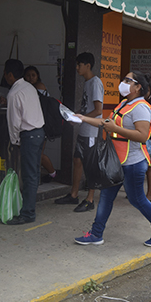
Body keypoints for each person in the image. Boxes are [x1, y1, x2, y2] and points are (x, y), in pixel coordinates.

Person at [74, 71, 151, 247]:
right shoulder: (125, 104)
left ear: (138, 86)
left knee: (137, 199)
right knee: (105, 196)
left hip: (133, 162)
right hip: (117, 161)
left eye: (128, 80)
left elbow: (142, 136)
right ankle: (96, 234)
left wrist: (115, 129)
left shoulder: (140, 107)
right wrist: (84, 119)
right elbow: (107, 122)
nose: (123, 82)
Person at [54, 52, 103, 213]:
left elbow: (98, 110)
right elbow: (87, 108)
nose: (76, 68)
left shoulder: (95, 83)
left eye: (79, 65)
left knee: (89, 164)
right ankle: (73, 194)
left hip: (92, 131)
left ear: (88, 65)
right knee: (77, 160)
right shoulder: (88, 82)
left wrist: (80, 118)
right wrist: (74, 115)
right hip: (84, 130)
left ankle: (90, 199)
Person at [4, 59, 45, 224]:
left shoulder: (14, 93)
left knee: (28, 176)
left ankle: (28, 213)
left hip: (28, 136)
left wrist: (15, 141)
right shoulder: (29, 87)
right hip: (39, 133)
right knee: (33, 174)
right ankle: (30, 208)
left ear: (10, 75)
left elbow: (13, 122)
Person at [23, 65, 57, 183]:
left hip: (42, 125)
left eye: (33, 75)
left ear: (38, 76)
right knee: (36, 155)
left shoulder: (39, 87)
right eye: (28, 75)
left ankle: (52, 173)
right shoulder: (26, 88)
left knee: (39, 155)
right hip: (34, 125)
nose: (31, 78)